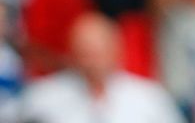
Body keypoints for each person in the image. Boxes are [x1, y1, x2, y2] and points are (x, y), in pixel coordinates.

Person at [19, 13, 184, 123]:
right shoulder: (42, 98)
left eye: (98, 54)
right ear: (71, 54)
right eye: (85, 53)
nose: (91, 63)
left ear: (117, 51)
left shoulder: (149, 97)